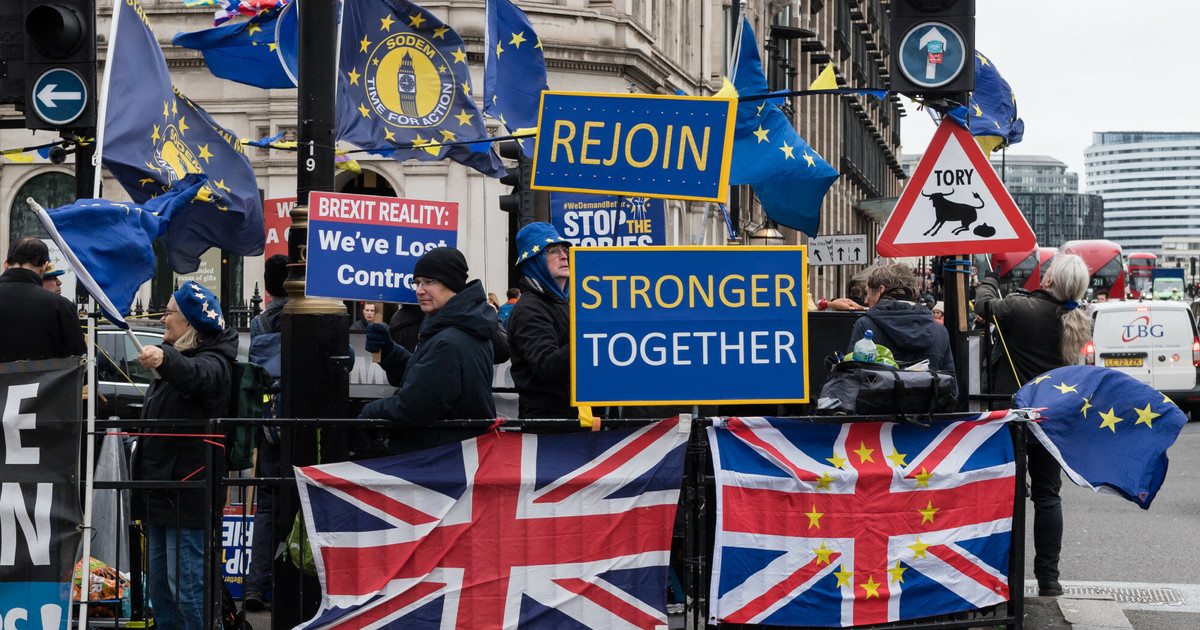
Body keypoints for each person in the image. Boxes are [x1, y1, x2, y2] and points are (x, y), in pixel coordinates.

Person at [975, 253, 1092, 598]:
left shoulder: (1021, 309)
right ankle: (1049, 580)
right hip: (1050, 421)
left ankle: (1005, 580)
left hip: (1011, 419)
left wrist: (989, 278)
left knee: (1005, 495)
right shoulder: (1079, 321)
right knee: (1047, 496)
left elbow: (984, 305)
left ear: (1050, 281)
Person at [133, 281, 236, 630]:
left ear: (191, 323)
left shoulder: (215, 361)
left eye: (169, 313)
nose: (162, 319)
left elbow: (198, 376)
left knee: (188, 591)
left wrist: (166, 358)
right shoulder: (178, 360)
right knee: (161, 590)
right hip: (163, 491)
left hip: (187, 493)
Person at [359, 247, 496, 453]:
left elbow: (414, 406)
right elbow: (428, 378)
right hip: (453, 453)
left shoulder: (449, 340)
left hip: (438, 458)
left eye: (429, 282)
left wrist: (369, 410)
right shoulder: (460, 327)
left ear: (452, 283)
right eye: (417, 282)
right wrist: (390, 353)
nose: (419, 290)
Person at [243, 254, 288, 611]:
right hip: (302, 422)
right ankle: (292, 581)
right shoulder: (308, 312)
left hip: (268, 422)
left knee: (267, 507)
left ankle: (256, 585)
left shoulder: (260, 322)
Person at [506, 223, 574, 419]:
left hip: (574, 422)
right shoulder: (529, 309)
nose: (564, 256)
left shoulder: (566, 302)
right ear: (534, 260)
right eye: (553, 251)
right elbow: (547, 365)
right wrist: (588, 340)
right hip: (549, 429)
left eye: (564, 249)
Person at [846, 263, 955, 372]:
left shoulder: (865, 326)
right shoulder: (940, 331)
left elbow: (850, 376)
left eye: (868, 293)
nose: (865, 300)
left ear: (881, 290)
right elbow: (950, 383)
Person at [0, 237, 86, 362]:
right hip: (41, 381)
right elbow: (78, 364)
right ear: (44, 266)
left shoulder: (60, 305)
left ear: (6, 264)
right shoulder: (61, 306)